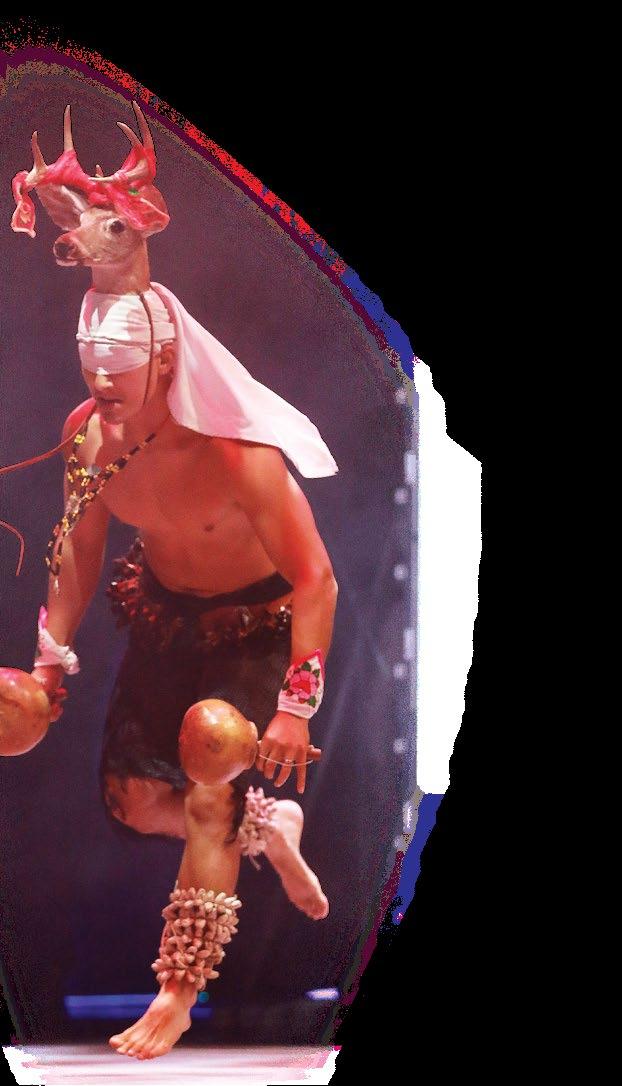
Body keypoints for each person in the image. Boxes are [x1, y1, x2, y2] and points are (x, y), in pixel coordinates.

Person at [10, 102, 339, 1062]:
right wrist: (51, 654)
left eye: (119, 373)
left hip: (259, 629)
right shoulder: (89, 435)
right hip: (163, 616)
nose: (103, 391)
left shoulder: (237, 456)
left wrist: (295, 706)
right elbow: (78, 548)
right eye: (92, 370)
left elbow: (316, 579)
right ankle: (268, 827)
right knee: (133, 799)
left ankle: (178, 992)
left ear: (164, 360)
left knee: (205, 774)